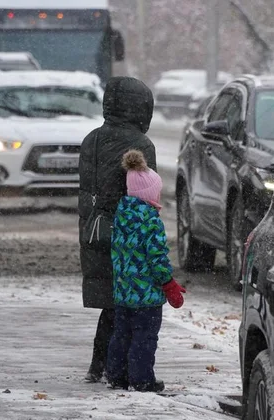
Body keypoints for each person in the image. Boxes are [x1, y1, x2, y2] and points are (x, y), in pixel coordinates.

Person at [78, 77, 157, 383]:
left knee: (113, 304)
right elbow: (144, 195)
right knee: (125, 308)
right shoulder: (141, 145)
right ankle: (119, 369)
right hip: (128, 236)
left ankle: (98, 365)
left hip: (94, 231)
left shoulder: (91, 139)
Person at [105, 150, 185, 392]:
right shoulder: (150, 220)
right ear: (149, 193)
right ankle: (141, 379)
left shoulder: (121, 215)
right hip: (146, 295)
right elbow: (157, 257)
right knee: (145, 337)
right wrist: (168, 283)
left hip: (123, 292)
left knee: (121, 334)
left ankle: (117, 375)